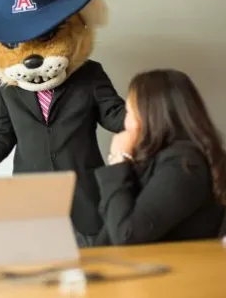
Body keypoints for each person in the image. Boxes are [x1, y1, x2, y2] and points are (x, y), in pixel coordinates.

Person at [94, 68, 226, 246]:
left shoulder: (184, 164)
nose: (125, 123)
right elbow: (111, 220)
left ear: (150, 116)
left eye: (130, 113)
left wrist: (119, 159)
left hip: (178, 270)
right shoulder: (156, 159)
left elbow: (126, 235)